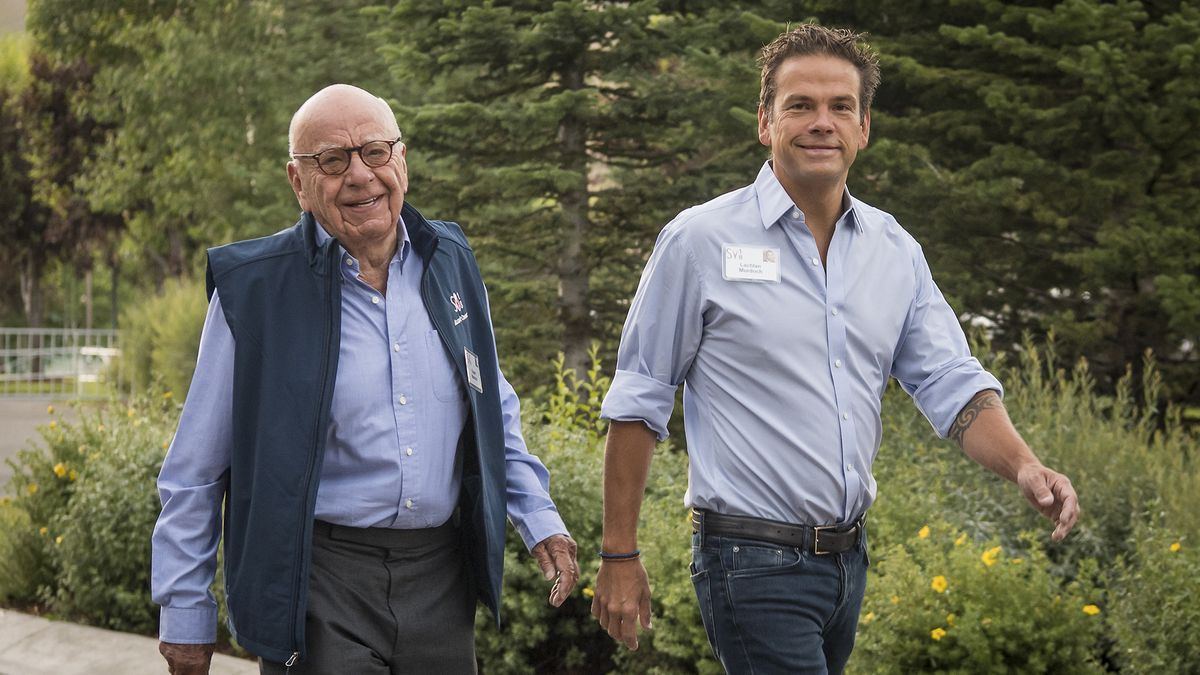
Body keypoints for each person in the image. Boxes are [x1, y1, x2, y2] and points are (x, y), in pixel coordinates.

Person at [590, 25, 1079, 674]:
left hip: (849, 564)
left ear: (864, 127)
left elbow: (950, 381)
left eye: (839, 107)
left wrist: (1024, 464)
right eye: (800, 105)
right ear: (766, 123)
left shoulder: (893, 249)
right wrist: (618, 553)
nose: (822, 122)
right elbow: (641, 395)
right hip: (750, 559)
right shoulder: (699, 241)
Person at [151, 84, 579, 675]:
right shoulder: (253, 293)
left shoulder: (450, 262)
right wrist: (185, 613)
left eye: (376, 152)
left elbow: (491, 408)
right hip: (319, 581)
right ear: (297, 183)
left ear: (401, 160)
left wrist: (539, 521)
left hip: (440, 579)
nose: (360, 176)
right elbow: (196, 470)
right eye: (331, 161)